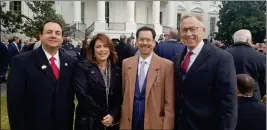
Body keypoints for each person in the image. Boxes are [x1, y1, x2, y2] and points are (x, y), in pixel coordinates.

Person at [7, 20, 78, 130]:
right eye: (49, 32)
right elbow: (14, 103)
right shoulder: (21, 61)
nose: (53, 36)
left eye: (57, 33)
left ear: (62, 38)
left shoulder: (71, 61)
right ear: (41, 35)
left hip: (63, 124)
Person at [173, 13, 237, 130]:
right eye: (184, 30)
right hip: (181, 124)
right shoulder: (178, 58)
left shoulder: (221, 58)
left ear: (203, 30)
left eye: (193, 29)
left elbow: (228, 102)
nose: (188, 34)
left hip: (207, 125)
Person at [120, 26, 175, 130]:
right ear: (136, 42)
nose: (145, 43)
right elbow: (124, 94)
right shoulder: (126, 64)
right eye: (141, 39)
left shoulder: (166, 66)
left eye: (148, 40)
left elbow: (169, 104)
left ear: (154, 42)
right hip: (130, 123)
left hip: (154, 124)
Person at [74, 33, 122, 130]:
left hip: (111, 123)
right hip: (89, 122)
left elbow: (119, 96)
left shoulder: (116, 70)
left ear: (110, 49)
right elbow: (82, 95)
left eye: (105, 46)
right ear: (93, 50)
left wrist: (113, 115)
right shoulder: (83, 67)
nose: (102, 50)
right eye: (98, 47)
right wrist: (104, 115)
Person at [226, 29, 266, 100]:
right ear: (248, 40)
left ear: (234, 40)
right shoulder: (261, 57)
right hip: (253, 97)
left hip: (228, 96)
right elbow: (263, 81)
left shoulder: (223, 54)